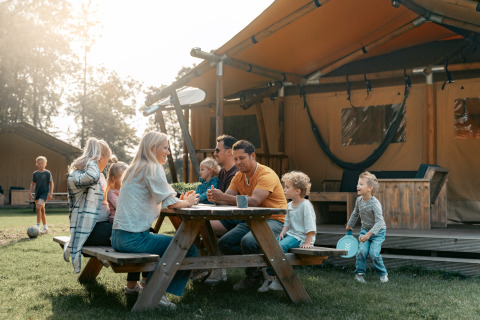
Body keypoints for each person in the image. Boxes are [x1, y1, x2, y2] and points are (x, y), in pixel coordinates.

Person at [111, 131, 199, 310]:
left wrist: (179, 201)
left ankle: (149, 288)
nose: (168, 152)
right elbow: (170, 202)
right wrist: (187, 202)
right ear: (153, 148)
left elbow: (164, 199)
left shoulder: (134, 168)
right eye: (165, 148)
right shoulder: (152, 167)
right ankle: (155, 293)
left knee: (171, 247)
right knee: (188, 248)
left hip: (118, 237)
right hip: (134, 239)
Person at [207, 140, 287, 291]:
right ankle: (261, 268)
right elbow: (227, 199)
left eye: (242, 158)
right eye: (235, 159)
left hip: (275, 220)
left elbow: (255, 201)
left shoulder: (266, 174)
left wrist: (223, 197)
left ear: (253, 156)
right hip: (251, 220)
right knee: (225, 244)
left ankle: (253, 275)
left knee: (248, 242)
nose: (238, 162)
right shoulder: (239, 176)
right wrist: (215, 198)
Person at [258, 171, 316, 292]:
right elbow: (287, 222)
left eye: (287, 187)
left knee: (280, 248)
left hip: (301, 237)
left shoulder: (305, 205)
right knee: (271, 245)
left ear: (297, 191)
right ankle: (271, 277)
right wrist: (283, 232)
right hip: (291, 235)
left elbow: (310, 226)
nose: (284, 189)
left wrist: (308, 242)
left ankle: (279, 278)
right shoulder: (289, 205)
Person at [63, 138, 113, 273]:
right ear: (101, 158)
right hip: (89, 231)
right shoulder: (78, 176)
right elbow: (92, 177)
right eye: (107, 159)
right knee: (134, 233)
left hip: (102, 226)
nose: (107, 163)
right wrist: (93, 161)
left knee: (141, 230)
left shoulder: (100, 176)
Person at [105, 160, 149, 295]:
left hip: (130, 224)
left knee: (147, 240)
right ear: (114, 179)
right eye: (123, 176)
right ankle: (135, 284)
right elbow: (123, 207)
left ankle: (143, 281)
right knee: (139, 244)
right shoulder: (112, 192)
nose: (127, 178)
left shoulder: (128, 191)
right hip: (118, 225)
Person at [202, 134, 239, 285]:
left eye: (217, 150)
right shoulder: (223, 172)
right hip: (224, 216)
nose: (215, 154)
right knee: (197, 225)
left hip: (236, 219)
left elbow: (231, 202)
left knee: (201, 226)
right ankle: (207, 266)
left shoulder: (236, 173)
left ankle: (216, 268)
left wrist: (218, 199)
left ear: (229, 152)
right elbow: (222, 199)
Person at [346, 171, 388, 284]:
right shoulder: (359, 200)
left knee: (374, 254)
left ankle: (383, 274)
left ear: (369, 188)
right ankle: (359, 274)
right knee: (362, 251)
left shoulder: (375, 204)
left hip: (378, 232)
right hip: (365, 230)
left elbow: (380, 222)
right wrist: (350, 225)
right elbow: (355, 213)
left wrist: (369, 234)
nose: (357, 186)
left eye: (361, 184)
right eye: (358, 183)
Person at [29, 156, 54, 233]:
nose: (41, 165)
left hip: (44, 194)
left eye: (42, 163)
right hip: (37, 194)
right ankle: (45, 227)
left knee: (38, 207)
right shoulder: (35, 173)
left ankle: (38, 226)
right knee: (42, 210)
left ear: (45, 164)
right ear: (36, 164)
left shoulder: (47, 173)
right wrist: (30, 193)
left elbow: (51, 183)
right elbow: (32, 184)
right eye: (39, 163)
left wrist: (50, 193)